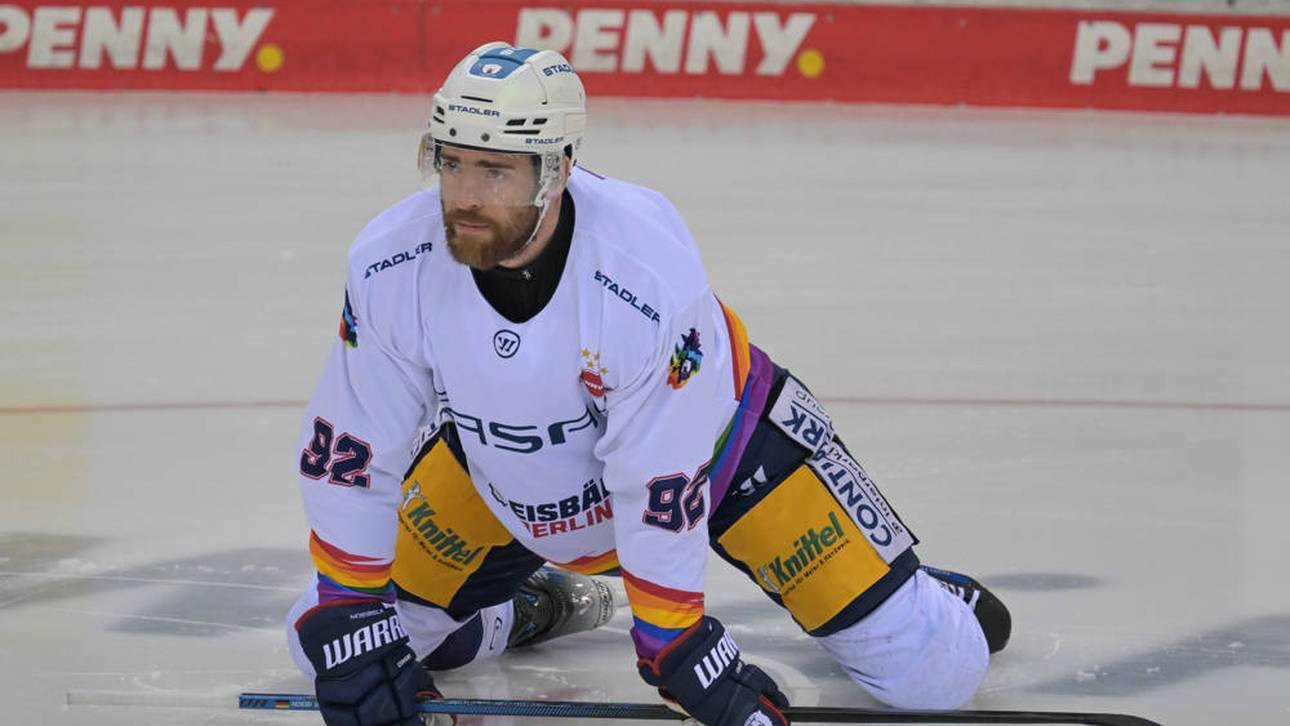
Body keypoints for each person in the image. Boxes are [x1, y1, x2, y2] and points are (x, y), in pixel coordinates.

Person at [285, 42, 1011, 726]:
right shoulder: (391, 258)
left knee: (931, 677)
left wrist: (674, 645)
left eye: (496, 172)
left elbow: (660, 476)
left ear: (558, 170)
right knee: (318, 638)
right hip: (499, 469)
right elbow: (350, 442)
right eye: (451, 165)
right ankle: (535, 606)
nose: (465, 197)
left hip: (724, 460)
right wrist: (347, 607)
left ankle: (911, 592)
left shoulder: (641, 268)